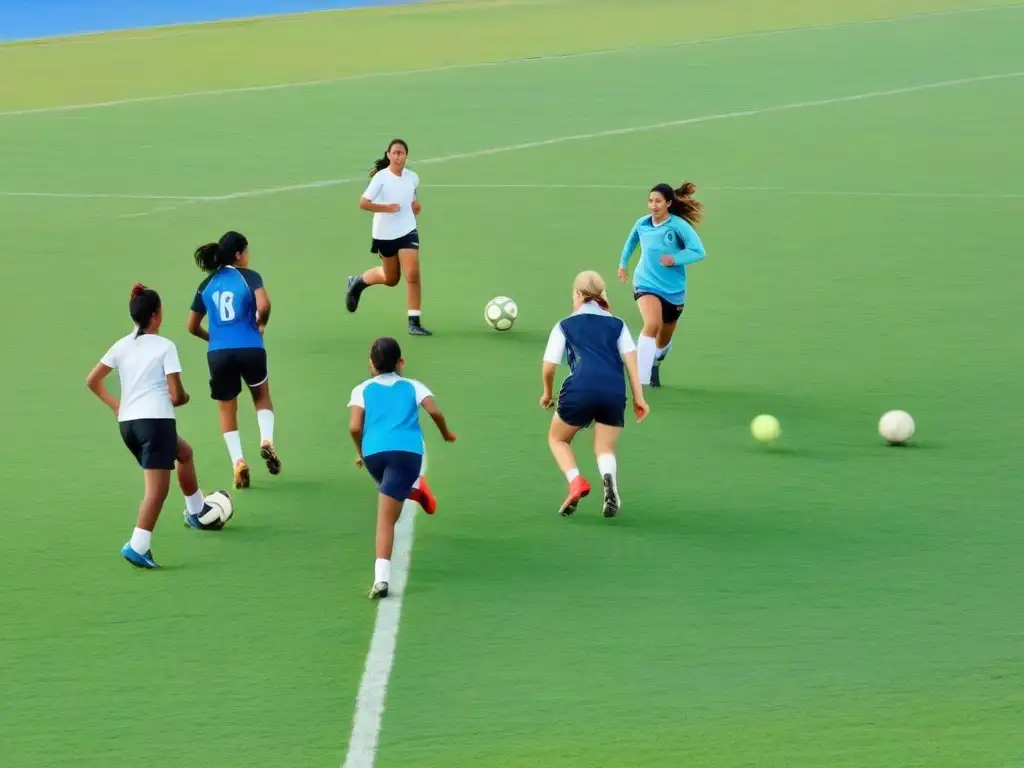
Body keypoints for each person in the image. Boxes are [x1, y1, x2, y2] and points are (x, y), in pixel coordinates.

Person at [86, 284, 218, 569]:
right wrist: (184, 398)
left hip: (128, 426)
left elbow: (92, 380)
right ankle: (138, 545)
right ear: (157, 315)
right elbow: (175, 394)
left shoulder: (121, 345)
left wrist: (116, 406)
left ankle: (197, 510)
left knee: (184, 452)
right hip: (156, 423)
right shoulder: (165, 346)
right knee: (156, 491)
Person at [348, 337, 455, 599]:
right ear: (401, 362)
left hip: (374, 455)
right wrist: (446, 433)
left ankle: (381, 580)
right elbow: (436, 412)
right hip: (407, 454)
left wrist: (360, 453)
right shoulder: (413, 386)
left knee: (387, 500)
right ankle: (417, 488)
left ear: (371, 364)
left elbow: (354, 427)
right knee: (388, 515)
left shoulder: (361, 389)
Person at [541, 271, 649, 518]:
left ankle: (576, 481)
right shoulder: (618, 324)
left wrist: (547, 394)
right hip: (613, 390)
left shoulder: (564, 325)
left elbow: (549, 367)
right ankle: (609, 483)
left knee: (557, 439)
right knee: (604, 446)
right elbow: (632, 363)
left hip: (580, 388)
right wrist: (638, 398)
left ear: (578, 295)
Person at [187, 230, 281, 490]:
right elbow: (264, 305)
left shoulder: (206, 285)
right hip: (251, 347)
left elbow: (191, 326)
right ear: (239, 255)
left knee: (227, 408)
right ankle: (266, 441)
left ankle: (238, 461)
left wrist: (214, 339)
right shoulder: (250, 277)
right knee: (261, 396)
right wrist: (260, 325)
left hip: (218, 353)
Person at [617, 182, 706, 388]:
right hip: (645, 283)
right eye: (650, 201)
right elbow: (631, 242)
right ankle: (641, 379)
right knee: (652, 324)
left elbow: (698, 251)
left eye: (658, 201)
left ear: (668, 203)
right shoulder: (642, 224)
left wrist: (675, 259)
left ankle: (655, 361)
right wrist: (623, 265)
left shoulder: (678, 226)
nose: (653, 205)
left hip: (674, 291)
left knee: (663, 341)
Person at [344, 138, 432, 336]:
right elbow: (363, 203)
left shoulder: (412, 177)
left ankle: (414, 322)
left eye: (402, 153)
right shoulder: (381, 179)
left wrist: (415, 204)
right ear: (388, 155)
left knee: (413, 274)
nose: (399, 156)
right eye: (395, 152)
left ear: (406, 156)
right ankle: (358, 282)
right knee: (391, 278)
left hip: (408, 230)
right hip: (385, 234)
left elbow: (411, 194)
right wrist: (387, 208)